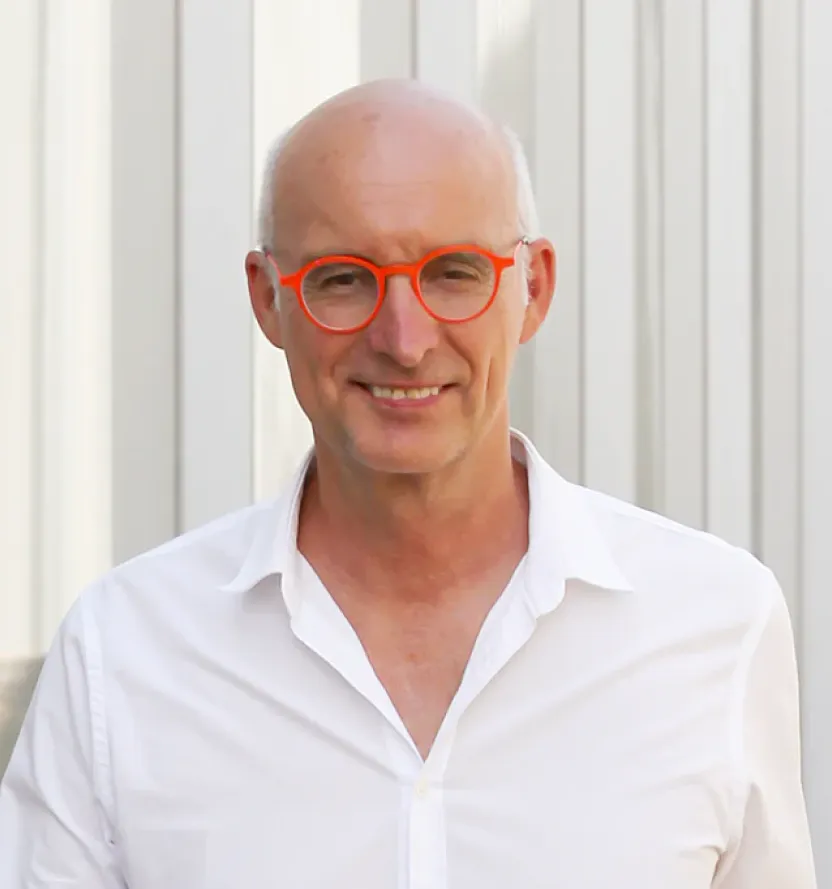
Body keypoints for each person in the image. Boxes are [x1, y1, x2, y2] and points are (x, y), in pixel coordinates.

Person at [0, 79, 815, 888]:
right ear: (267, 299)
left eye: (453, 272)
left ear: (531, 290)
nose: (405, 338)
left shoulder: (715, 624)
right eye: (343, 279)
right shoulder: (122, 655)